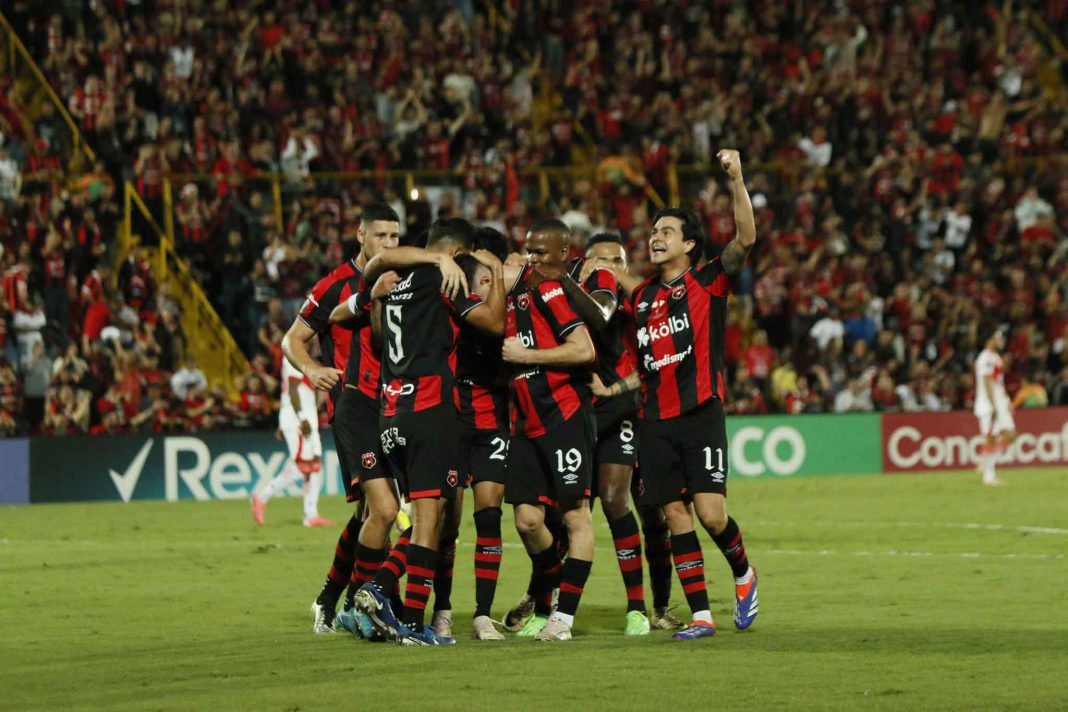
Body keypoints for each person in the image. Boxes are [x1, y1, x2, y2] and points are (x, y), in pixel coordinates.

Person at [343, 217, 505, 646]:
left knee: (422, 519)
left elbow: (377, 278)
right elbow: (494, 323)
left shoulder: (392, 283)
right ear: (457, 253)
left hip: (392, 412)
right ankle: (406, 616)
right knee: (430, 523)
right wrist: (496, 272)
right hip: (431, 410)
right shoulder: (443, 281)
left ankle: (385, 601)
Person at [628, 150, 759, 640]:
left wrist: (737, 179)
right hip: (654, 421)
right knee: (675, 513)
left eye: (666, 232)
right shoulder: (640, 298)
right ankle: (702, 614)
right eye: (653, 231)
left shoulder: (707, 281)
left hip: (701, 412)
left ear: (688, 243)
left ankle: (744, 574)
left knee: (709, 512)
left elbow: (746, 237)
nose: (655, 237)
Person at [281, 203, 400, 634]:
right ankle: (360, 601)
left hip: (395, 408)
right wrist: (312, 370)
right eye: (381, 235)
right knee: (384, 511)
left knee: (370, 514)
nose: (389, 244)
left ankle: (331, 598)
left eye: (395, 237)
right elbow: (292, 339)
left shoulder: (399, 278)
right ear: (360, 235)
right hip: (354, 407)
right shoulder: (335, 285)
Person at [576, 232, 680, 632]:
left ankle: (657, 606)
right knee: (567, 513)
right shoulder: (574, 301)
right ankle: (541, 598)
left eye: (617, 261)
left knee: (649, 513)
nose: (609, 268)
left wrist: (616, 389)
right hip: (583, 418)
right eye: (600, 261)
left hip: (632, 416)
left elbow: (658, 360)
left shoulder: (641, 305)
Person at [500, 218, 598, 642]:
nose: (532, 257)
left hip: (563, 417)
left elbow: (584, 348)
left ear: (563, 255)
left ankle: (563, 618)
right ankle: (550, 589)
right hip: (524, 423)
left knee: (576, 516)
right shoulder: (515, 290)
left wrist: (527, 356)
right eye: (528, 249)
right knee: (526, 520)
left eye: (541, 252)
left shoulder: (550, 289)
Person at [452, 227, 513, 641]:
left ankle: (482, 614)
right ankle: (441, 608)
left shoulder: (510, 309)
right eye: (484, 275)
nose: (490, 280)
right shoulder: (458, 301)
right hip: (454, 420)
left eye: (495, 274)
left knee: (489, 515)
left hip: (493, 419)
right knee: (445, 525)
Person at [250, 356, 334, 528]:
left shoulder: (302, 356)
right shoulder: (294, 356)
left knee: (315, 465)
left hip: (303, 418)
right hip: (299, 420)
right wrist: (301, 418)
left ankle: (311, 514)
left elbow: (292, 390)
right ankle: (262, 496)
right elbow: (293, 389)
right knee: (304, 466)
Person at [974, 328, 1015, 486]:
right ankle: (989, 477)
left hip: (999, 401)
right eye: (998, 336)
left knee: (1010, 434)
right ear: (990, 339)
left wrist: (1005, 400)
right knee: (990, 437)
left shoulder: (996, 357)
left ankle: (985, 463)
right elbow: (987, 381)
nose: (1001, 339)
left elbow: (998, 383)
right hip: (988, 403)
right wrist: (993, 404)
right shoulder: (985, 358)